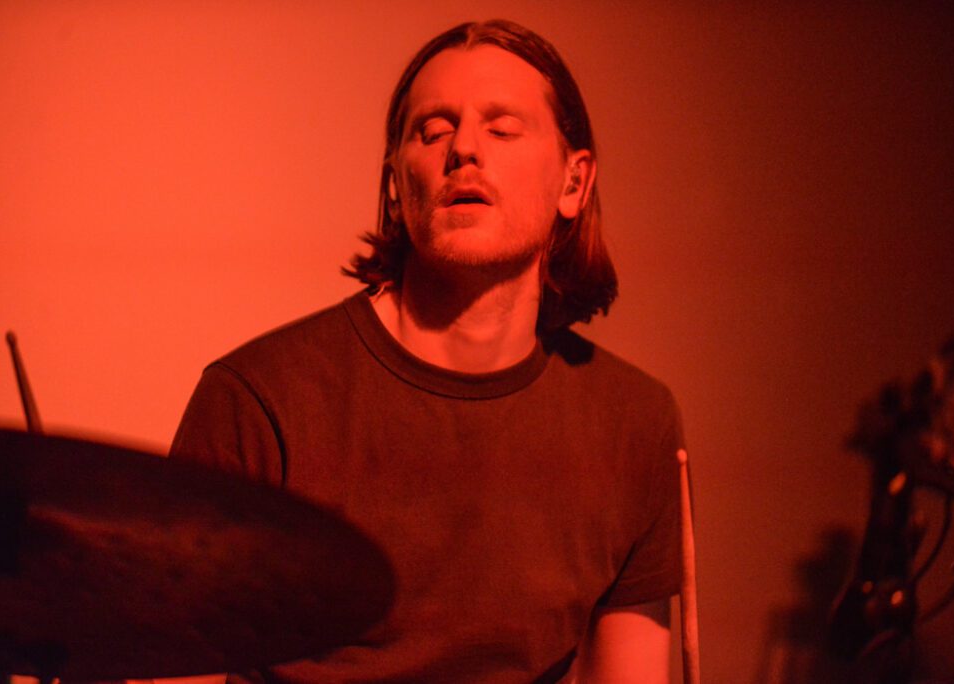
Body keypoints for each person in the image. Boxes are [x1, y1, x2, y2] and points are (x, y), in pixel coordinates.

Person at [171, 19, 685, 683]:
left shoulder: (634, 423)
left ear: (573, 183)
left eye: (502, 129)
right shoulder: (259, 402)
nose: (464, 148)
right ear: (395, 182)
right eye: (434, 130)